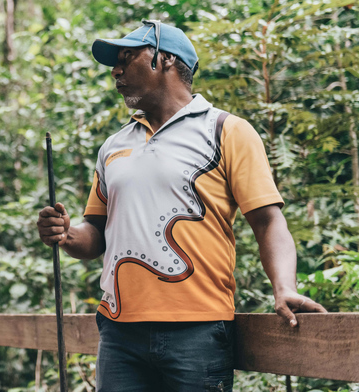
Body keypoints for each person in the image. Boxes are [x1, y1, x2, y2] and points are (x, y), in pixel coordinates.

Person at [36, 21, 327, 391]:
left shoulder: (226, 131)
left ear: (166, 60)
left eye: (128, 57)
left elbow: (268, 221)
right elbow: (96, 235)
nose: (116, 70)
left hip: (198, 330)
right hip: (119, 332)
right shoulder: (112, 147)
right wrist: (66, 234)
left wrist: (284, 287)